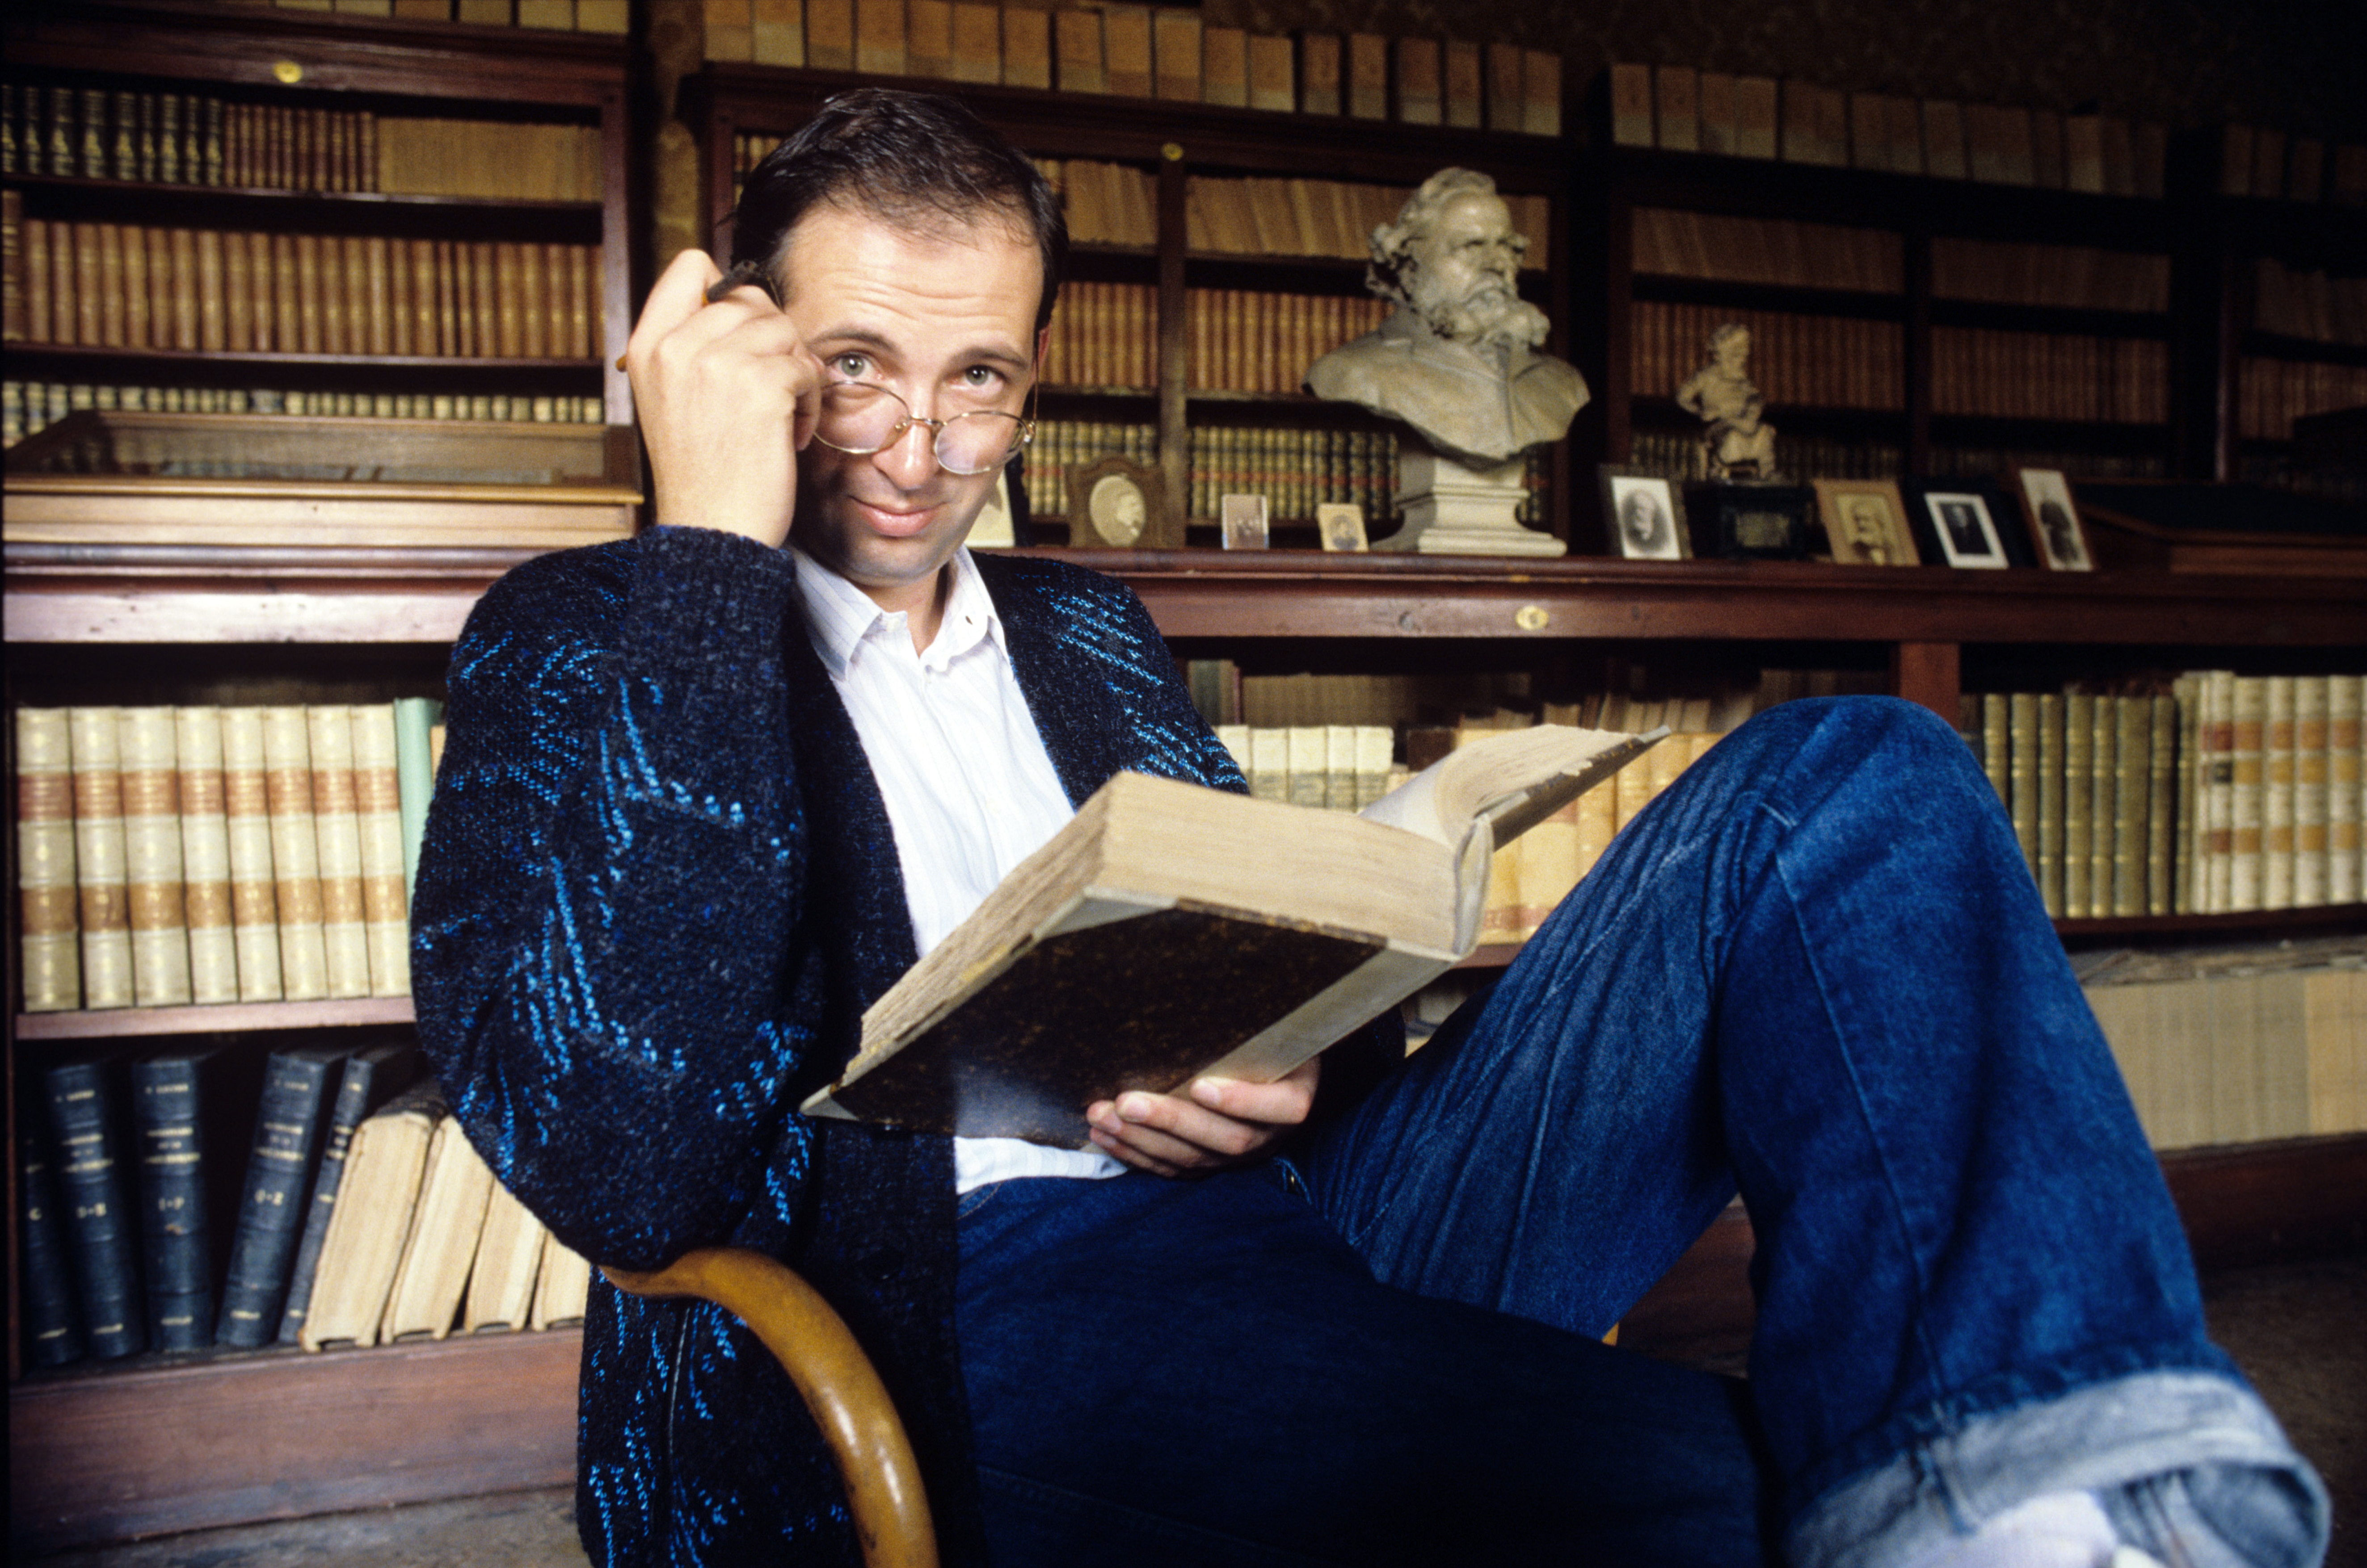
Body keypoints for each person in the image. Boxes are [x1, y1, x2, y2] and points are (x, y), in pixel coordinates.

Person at [410, 89, 2328, 1568]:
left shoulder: (1084, 631)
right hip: (964, 1317)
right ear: (740, 349)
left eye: (979, 377)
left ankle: (2054, 1464)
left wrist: (1275, 1070)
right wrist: (706, 561)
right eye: (856, 373)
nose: (919, 449)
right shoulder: (584, 637)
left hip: (1297, 1214)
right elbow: (625, 1163)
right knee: (1762, 1495)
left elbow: (1271, 975)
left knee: (1855, 775)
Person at [1304, 168, 1588, 467]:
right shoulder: (1355, 371)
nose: (1497, 264)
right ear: (1411, 267)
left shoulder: (1563, 382)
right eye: (1471, 246)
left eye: (1505, 246)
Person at [1676, 323, 1780, 480]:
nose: (1742, 359)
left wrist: (1754, 407)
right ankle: (1718, 465)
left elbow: (1755, 397)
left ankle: (1768, 471)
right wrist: (1700, 412)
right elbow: (1682, 397)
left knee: (1764, 431)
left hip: (1742, 421)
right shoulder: (1706, 376)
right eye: (1737, 355)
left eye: (1743, 355)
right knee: (1734, 435)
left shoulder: (1742, 380)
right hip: (1719, 424)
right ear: (1723, 354)